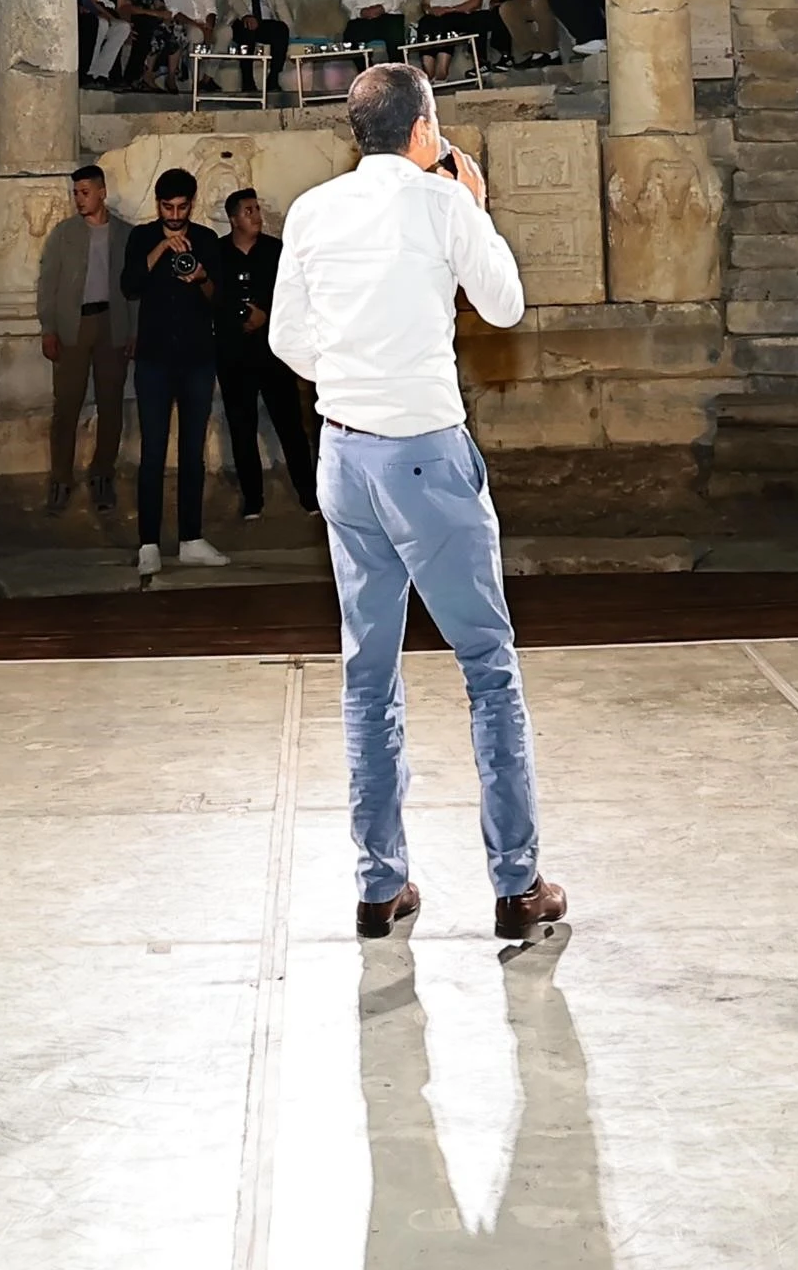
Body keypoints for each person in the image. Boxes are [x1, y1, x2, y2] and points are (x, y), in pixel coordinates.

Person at [270, 61, 558, 945]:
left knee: (368, 672)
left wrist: (357, 378)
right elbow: (504, 307)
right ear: (424, 130)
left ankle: (378, 885)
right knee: (487, 665)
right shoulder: (443, 206)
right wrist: (473, 204)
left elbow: (288, 339)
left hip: (344, 455)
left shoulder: (312, 211)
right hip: (426, 453)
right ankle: (516, 885)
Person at [118, 165, 233, 573]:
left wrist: (199, 275)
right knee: (151, 452)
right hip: (152, 360)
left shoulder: (204, 240)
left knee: (192, 453)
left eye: (182, 207)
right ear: (158, 205)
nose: (175, 215)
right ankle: (148, 542)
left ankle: (191, 538)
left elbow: (218, 299)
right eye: (168, 207)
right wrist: (161, 251)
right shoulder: (141, 236)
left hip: (198, 359)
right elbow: (129, 285)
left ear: (192, 204)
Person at [29, 160, 132, 516]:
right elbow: (48, 284)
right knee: (67, 405)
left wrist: (133, 330)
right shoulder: (64, 234)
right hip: (74, 324)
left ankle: (103, 474)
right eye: (75, 193)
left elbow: (133, 289)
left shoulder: (125, 234)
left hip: (112, 323)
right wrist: (48, 328)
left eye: (85, 193)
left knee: (111, 404)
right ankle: (60, 478)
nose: (79, 199)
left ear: (102, 193)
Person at [213, 183, 315, 521]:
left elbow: (293, 291)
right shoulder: (218, 253)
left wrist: (265, 315)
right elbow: (215, 297)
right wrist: (236, 317)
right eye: (249, 211)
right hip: (233, 355)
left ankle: (308, 493)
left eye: (257, 209)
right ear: (233, 218)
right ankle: (253, 498)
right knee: (242, 428)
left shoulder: (275, 250)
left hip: (272, 353)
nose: (257, 216)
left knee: (290, 425)